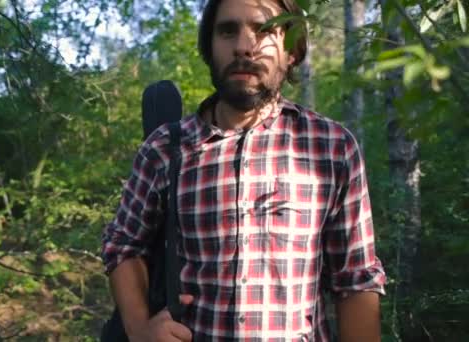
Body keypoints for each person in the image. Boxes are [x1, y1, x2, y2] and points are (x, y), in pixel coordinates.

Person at [101, 0, 387, 340]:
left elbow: (355, 280)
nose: (243, 47)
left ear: (291, 51)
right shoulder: (164, 149)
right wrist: (140, 331)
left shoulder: (331, 147)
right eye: (227, 31)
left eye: (264, 30)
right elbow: (123, 244)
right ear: (210, 47)